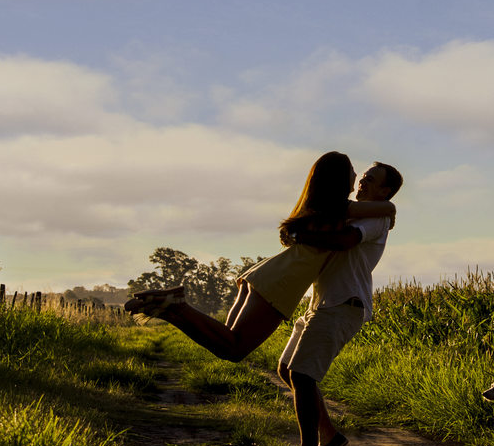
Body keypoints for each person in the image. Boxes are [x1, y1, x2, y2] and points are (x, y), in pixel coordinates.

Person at [125, 152, 394, 362]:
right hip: (283, 280)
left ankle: (169, 309)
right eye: (353, 174)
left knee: (226, 343)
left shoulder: (316, 208)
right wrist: (390, 207)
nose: (356, 179)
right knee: (234, 348)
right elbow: (384, 208)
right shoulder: (341, 210)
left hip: (268, 274)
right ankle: (178, 306)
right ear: (337, 180)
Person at [275, 161, 402, 446]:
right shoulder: (354, 211)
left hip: (344, 303)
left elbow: (346, 241)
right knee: (287, 370)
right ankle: (330, 438)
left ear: (385, 191)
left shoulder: (377, 217)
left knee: (302, 375)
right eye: (362, 178)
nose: (362, 183)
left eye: (370, 180)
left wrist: (301, 236)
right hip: (322, 302)